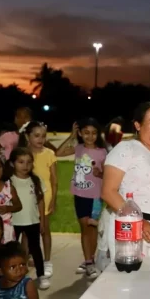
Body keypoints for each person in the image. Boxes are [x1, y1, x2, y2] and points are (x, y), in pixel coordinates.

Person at [102, 102, 150, 259]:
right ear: (138, 125)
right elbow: (108, 192)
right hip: (129, 228)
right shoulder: (126, 149)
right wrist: (140, 222)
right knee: (127, 279)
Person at [55, 118, 107, 278]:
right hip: (80, 194)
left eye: (93, 133)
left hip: (95, 196)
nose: (90, 136)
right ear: (80, 133)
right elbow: (58, 153)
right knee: (84, 228)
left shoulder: (102, 152)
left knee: (91, 228)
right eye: (86, 133)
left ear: (98, 134)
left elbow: (108, 173)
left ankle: (91, 259)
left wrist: (101, 173)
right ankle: (88, 260)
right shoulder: (78, 148)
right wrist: (71, 136)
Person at [7, 148, 49, 290]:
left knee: (35, 249)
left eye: (29, 162)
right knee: (13, 249)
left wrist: (42, 220)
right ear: (12, 163)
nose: (25, 166)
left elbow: (40, 201)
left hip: (32, 220)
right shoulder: (8, 182)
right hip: (14, 222)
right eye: (21, 162)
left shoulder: (35, 180)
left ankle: (41, 275)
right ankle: (12, 275)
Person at [18, 121, 57, 277]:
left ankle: (47, 261)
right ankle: (23, 260)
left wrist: (53, 200)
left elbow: (54, 180)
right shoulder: (23, 154)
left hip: (45, 197)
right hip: (27, 197)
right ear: (28, 136)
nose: (40, 139)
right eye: (36, 136)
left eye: (43, 136)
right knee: (27, 232)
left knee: (44, 229)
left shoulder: (49, 154)